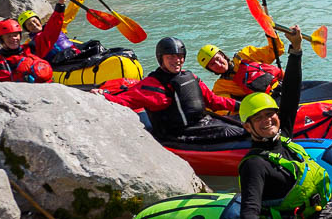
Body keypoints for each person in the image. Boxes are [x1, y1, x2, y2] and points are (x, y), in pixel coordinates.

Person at [236, 27, 328, 219]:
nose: (267, 121)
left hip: (315, 212)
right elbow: (248, 212)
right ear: (248, 126)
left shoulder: (283, 134)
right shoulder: (254, 164)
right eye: (259, 119)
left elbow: (291, 92)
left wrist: (296, 50)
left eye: (270, 115)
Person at [102, 37, 242, 142]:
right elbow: (125, 101)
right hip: (178, 134)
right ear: (161, 59)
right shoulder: (153, 85)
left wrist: (241, 105)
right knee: (238, 131)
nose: (177, 60)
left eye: (180, 56)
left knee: (246, 120)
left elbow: (213, 101)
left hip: (203, 124)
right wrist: (103, 95)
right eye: (171, 57)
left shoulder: (190, 77)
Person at [196, 33, 284, 101]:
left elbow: (276, 50)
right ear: (210, 69)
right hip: (270, 102)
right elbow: (222, 106)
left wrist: (270, 33)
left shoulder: (245, 55)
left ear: (223, 55)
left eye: (218, 59)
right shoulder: (220, 88)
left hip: (285, 84)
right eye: (212, 64)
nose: (219, 64)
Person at [19, 0, 90, 65]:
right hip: (60, 65)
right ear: (27, 29)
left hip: (75, 54)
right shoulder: (29, 44)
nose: (34, 25)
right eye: (29, 25)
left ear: (39, 21)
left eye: (34, 21)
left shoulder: (56, 25)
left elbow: (71, 11)